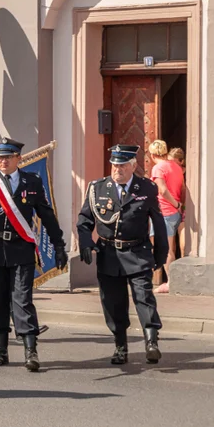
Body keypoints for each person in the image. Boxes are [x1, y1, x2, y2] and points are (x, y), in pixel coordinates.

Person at [0, 137, 67, 371]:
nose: (2, 161)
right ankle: (1, 350)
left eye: (7, 157)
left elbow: (46, 214)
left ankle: (30, 350)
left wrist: (59, 244)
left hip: (20, 248)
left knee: (22, 299)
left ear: (18, 159)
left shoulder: (31, 181)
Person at [77, 144, 168, 365]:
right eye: (114, 165)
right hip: (109, 254)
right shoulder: (97, 188)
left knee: (144, 297)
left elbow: (158, 222)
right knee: (113, 303)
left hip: (138, 252)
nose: (117, 169)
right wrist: (86, 243)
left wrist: (160, 255)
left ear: (133, 166)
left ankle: (151, 341)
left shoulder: (146, 188)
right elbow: (84, 221)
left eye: (122, 165)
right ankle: (120, 347)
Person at [149, 140, 184, 294]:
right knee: (172, 248)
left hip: (165, 211)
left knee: (166, 250)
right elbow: (181, 187)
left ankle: (170, 283)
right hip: (175, 214)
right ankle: (173, 281)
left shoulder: (158, 168)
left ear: (152, 155)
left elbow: (162, 190)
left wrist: (175, 204)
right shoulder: (175, 166)